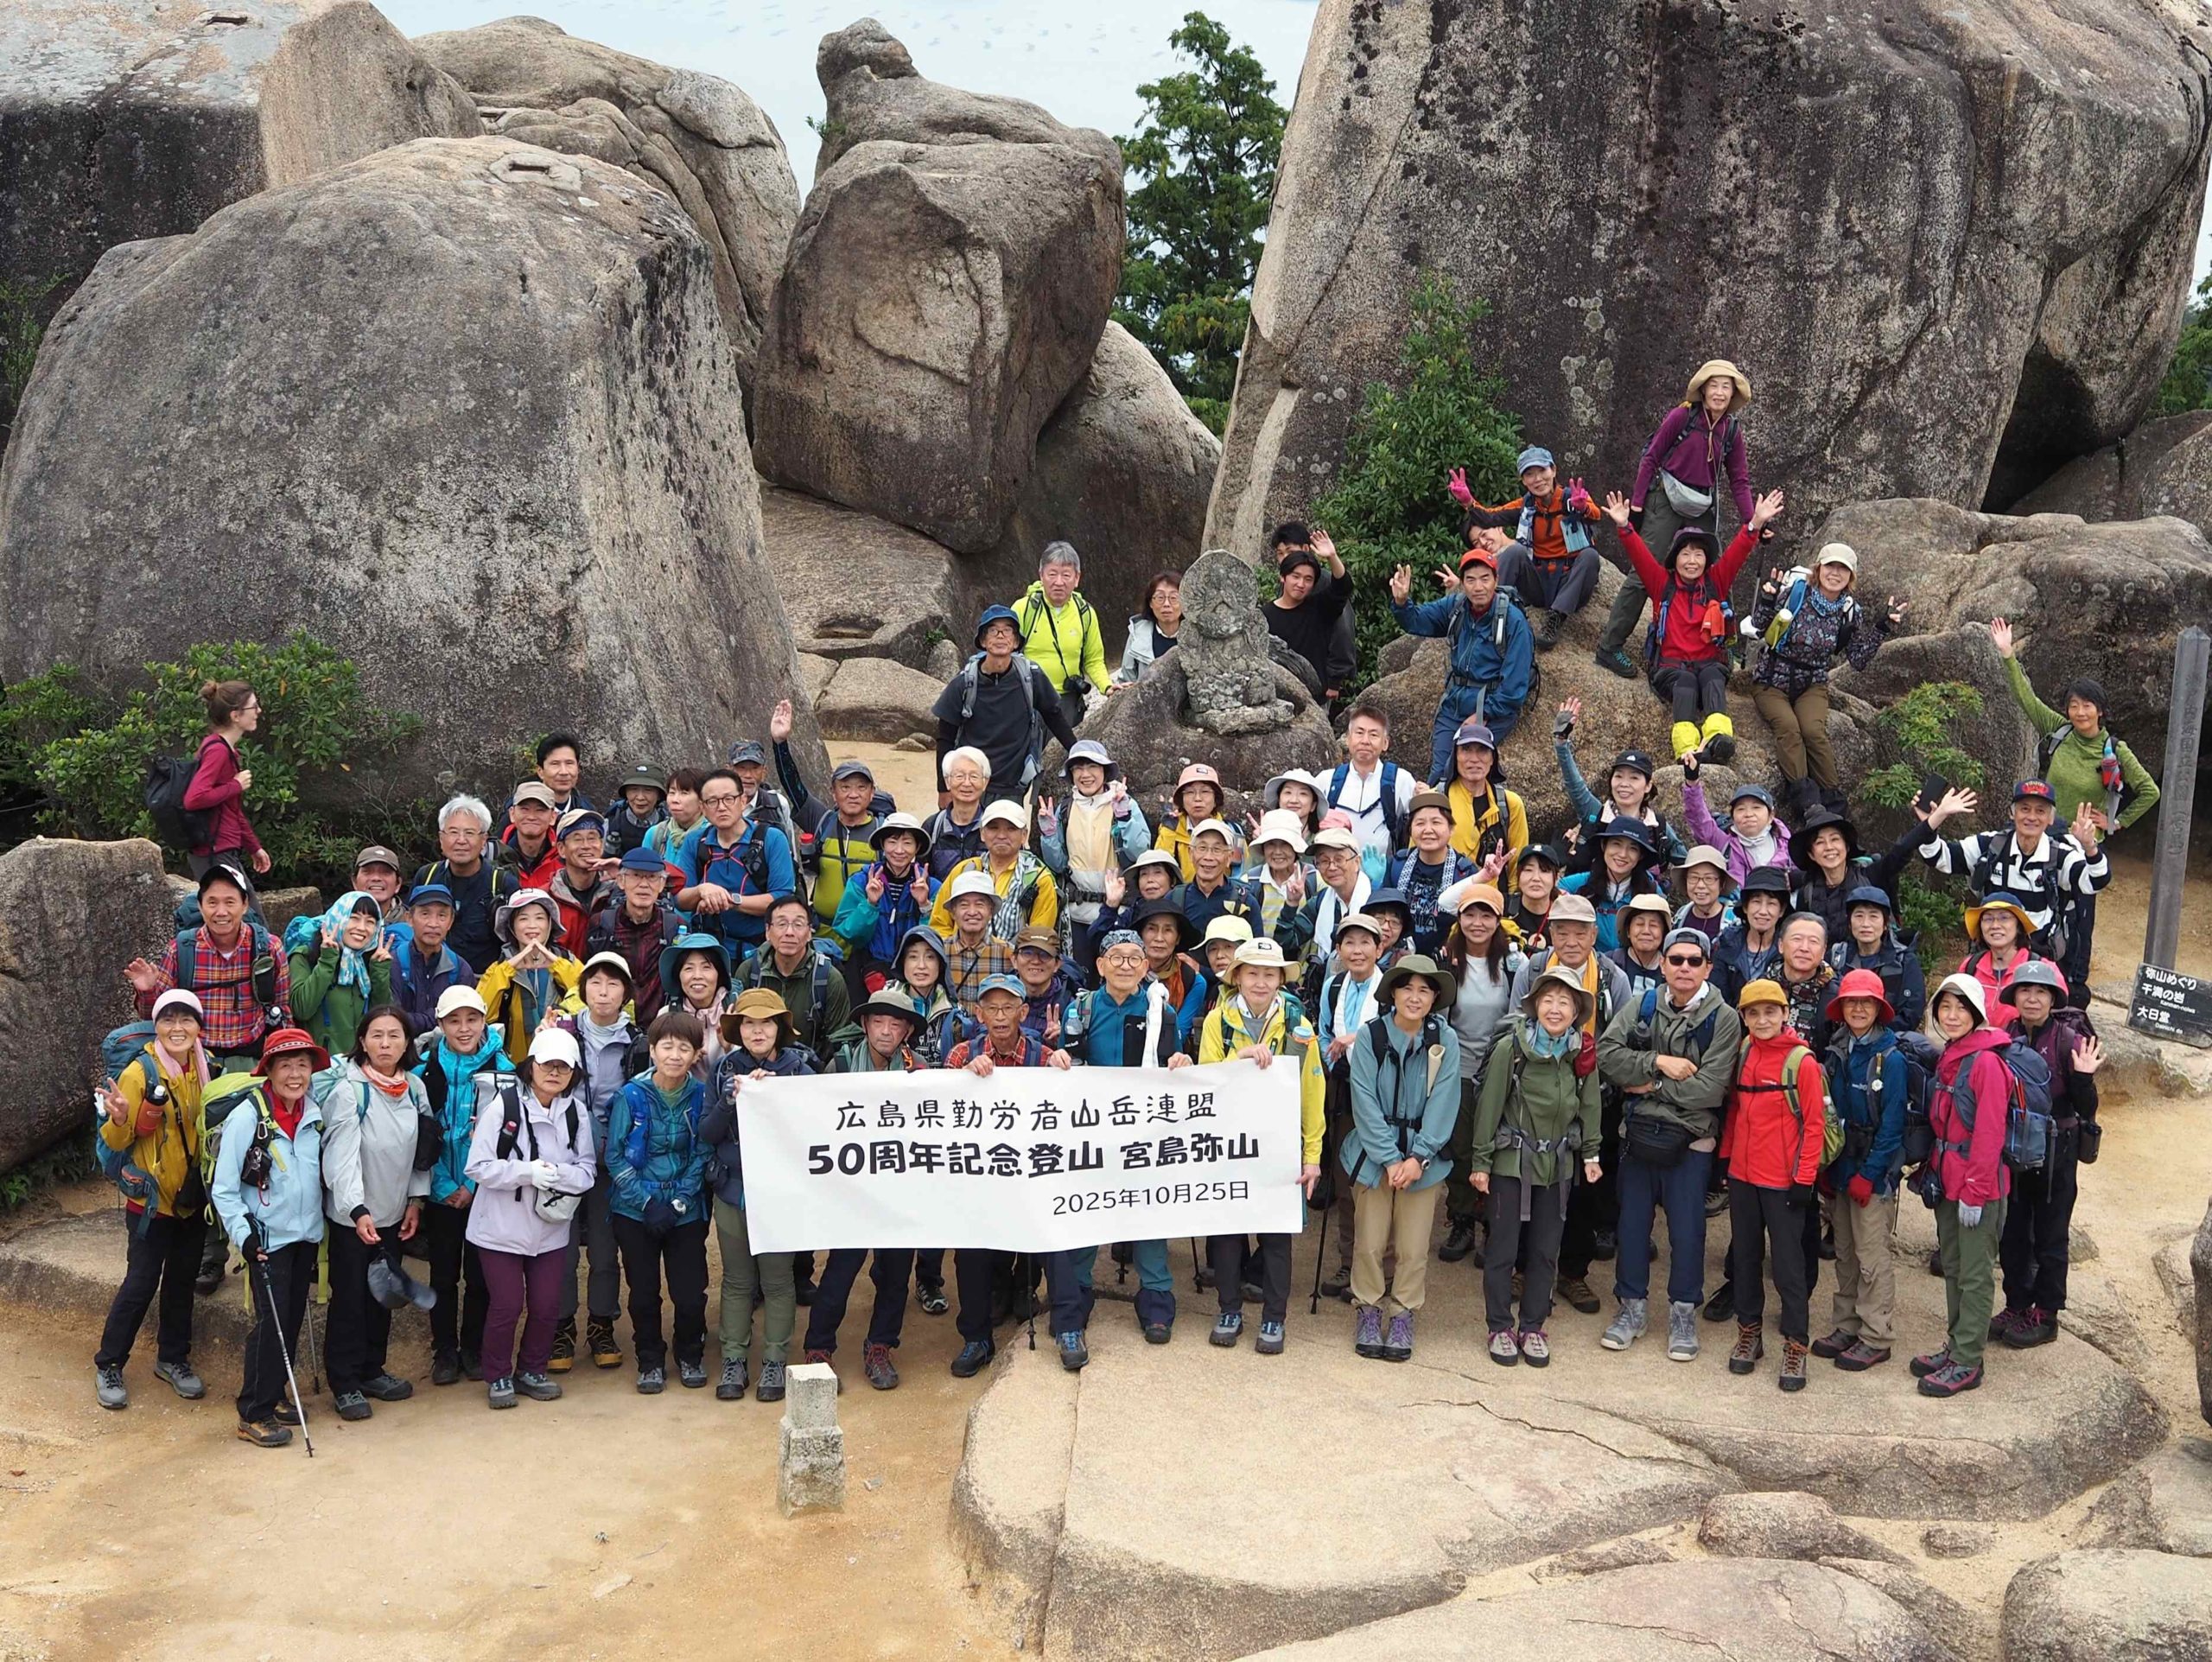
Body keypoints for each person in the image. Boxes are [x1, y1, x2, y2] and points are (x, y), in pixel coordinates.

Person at [123, 863, 290, 1296]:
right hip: (200, 1063)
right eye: (212, 901)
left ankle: (264, 1245)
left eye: (229, 901)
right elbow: (158, 1017)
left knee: (256, 1158)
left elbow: (283, 1013)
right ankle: (211, 1255)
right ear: (200, 905)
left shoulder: (268, 948)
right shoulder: (183, 950)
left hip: (251, 1066)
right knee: (205, 1159)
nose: (221, 910)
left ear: (245, 904)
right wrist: (146, 989)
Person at [1989, 616, 2159, 997]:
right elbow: (2026, 699)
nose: (2079, 712)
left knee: (2080, 917)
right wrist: (2008, 655)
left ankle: (2075, 989)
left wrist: (2114, 823)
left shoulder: (2115, 751)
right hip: (2045, 835)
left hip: (2081, 844)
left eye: (2087, 706)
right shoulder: (2060, 731)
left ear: (2100, 710)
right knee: (2044, 910)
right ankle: (2035, 980)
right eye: (2073, 705)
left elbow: (2150, 791)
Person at [1595, 927, 1738, 1361]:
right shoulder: (1643, 1004)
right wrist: (1658, 1064)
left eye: (1695, 961)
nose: (1684, 968)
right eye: (1676, 959)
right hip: (1637, 1134)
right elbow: (1607, 1054)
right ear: (1663, 963)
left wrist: (1645, 1085)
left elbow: (1710, 1091)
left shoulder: (1724, 1018)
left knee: (1688, 1231)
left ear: (1708, 967)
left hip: (1692, 1139)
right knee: (1633, 1227)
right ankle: (1631, 1309)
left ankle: (1683, 1311)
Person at [1054, 931, 1192, 1351]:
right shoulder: (1080, 1008)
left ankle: (1155, 1300)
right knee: (1085, 1212)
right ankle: (1076, 1297)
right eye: (1117, 957)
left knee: (1148, 1213)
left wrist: (1180, 1062)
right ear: (1099, 965)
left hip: (1144, 1134)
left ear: (1146, 967)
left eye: (1136, 958)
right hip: (1091, 1131)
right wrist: (1057, 1059)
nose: (1127, 965)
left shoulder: (1159, 1011)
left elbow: (1174, 1061)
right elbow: (1069, 1061)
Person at [1193, 939, 1324, 1353]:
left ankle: (1274, 1318)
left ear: (1282, 979)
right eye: (1253, 973)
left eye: (1271, 974)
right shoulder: (1218, 1021)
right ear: (1237, 978)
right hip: (1228, 1142)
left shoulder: (1299, 1025)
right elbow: (1204, 1080)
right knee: (1229, 1234)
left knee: (1276, 1237)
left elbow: (1312, 1093)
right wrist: (1239, 1063)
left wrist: (1312, 1155)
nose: (1262, 982)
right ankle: (1229, 1309)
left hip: (1280, 1145)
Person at [1468, 966, 1603, 1364]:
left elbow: (1590, 1103)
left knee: (1546, 1250)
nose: (1556, 1009)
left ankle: (1532, 1325)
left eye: (1565, 1001)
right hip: (1512, 1160)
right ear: (1534, 1006)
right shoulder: (1512, 1048)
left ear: (1577, 1009)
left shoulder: (1581, 1051)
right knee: (1503, 1248)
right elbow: (1489, 1105)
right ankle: (1498, 1325)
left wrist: (1591, 1152)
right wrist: (1481, 1161)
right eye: (1548, 1000)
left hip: (1557, 1162)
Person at [942, 977, 1073, 1380]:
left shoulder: (1043, 1054)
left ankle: (1069, 1327)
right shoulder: (961, 1053)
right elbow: (940, 1112)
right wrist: (962, 1077)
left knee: (1060, 1235)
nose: (1000, 1017)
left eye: (1008, 1008)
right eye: (991, 1009)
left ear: (1022, 1012)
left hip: (1034, 1178)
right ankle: (977, 1337)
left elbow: (1070, 1112)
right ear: (979, 1014)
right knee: (971, 1251)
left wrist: (1062, 1069)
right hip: (981, 1179)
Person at [1599, 486, 1785, 761]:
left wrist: (1756, 523)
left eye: (1698, 554)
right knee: (1686, 681)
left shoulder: (1715, 583)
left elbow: (1737, 553)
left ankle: (1718, 738)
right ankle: (1687, 750)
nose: (1692, 561)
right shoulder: (1662, 584)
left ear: (1706, 560)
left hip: (1709, 664)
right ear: (1675, 559)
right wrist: (1625, 526)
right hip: (1671, 671)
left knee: (1712, 677)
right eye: (1685, 554)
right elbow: (1640, 555)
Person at [1597, 360, 1758, 678]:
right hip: (1667, 497)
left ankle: (1721, 647)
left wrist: (1754, 520)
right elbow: (1651, 457)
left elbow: (1739, 480)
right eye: (1714, 385)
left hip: (1702, 502)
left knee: (1717, 576)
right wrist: (1639, 506)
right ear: (1703, 389)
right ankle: (1609, 647)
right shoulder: (1682, 416)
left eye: (1727, 386)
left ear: (1733, 394)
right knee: (1645, 573)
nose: (1720, 392)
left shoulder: (1732, 431)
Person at [92, 989, 213, 1411]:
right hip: (151, 1201)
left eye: (186, 1020)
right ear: (156, 1025)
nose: (177, 1028)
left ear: (199, 1026)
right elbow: (118, 1138)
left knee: (182, 1281)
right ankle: (109, 1363)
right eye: (168, 1020)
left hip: (192, 1197)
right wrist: (121, 1118)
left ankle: (173, 1359)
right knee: (141, 1283)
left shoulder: (206, 1067)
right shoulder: (140, 1072)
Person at [205, 1026, 325, 1446]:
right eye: (286, 1065)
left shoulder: (313, 1111)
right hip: (265, 1239)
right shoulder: (246, 1117)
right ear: (268, 1071)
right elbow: (224, 1188)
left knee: (290, 1318)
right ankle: (253, 1411)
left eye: (303, 1065)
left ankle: (273, 1396)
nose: (296, 1074)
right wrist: (244, 1236)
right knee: (271, 1322)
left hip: (305, 1234)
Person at [464, 1025, 594, 1410]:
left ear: (573, 1073)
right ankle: (498, 1374)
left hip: (550, 1228)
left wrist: (555, 1174)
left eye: (563, 1067)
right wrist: (526, 1172)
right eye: (546, 1064)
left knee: (546, 1303)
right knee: (506, 1304)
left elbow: (587, 1171)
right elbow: (479, 1167)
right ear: (530, 1065)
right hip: (500, 1228)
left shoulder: (577, 1113)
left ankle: (533, 1370)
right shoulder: (503, 1107)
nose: (554, 1073)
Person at [805, 989, 931, 1390]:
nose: (886, 1031)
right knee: (840, 1273)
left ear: (908, 1031)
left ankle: (880, 1346)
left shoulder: (920, 1070)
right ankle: (818, 1349)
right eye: (879, 1021)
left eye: (897, 1024)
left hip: (899, 1191)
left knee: (896, 1274)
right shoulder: (840, 1065)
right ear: (864, 1024)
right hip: (853, 1192)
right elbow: (817, 1122)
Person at [1342, 952, 1459, 1363]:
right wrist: (1391, 1158)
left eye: (1425, 990)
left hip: (1422, 1159)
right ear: (1392, 992)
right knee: (1370, 1241)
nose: (1415, 996)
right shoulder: (1372, 1035)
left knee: (1413, 1245)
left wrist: (1418, 1157)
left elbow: (1446, 1100)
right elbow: (1364, 1101)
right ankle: (1369, 1308)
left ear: (1435, 998)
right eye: (1407, 987)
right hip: (1376, 1155)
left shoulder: (1445, 1039)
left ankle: (1404, 1311)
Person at [319, 1005, 430, 1421]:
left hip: (395, 1212)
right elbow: (340, 1159)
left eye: (395, 1036)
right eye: (377, 1036)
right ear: (362, 1041)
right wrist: (357, 1210)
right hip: (355, 1217)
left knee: (383, 1295)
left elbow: (423, 1152)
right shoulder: (351, 1090)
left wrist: (416, 1202)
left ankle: (372, 1369)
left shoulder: (414, 1088)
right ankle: (344, 1382)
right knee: (349, 1299)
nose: (386, 1044)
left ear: (407, 1043)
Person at [702, 989, 813, 1403]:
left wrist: (777, 1095)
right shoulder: (722, 1069)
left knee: (779, 1280)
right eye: (749, 1023)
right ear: (739, 1030)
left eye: (766, 1023)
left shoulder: (800, 1070)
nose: (757, 1030)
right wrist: (733, 1100)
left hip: (781, 1194)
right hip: (733, 1190)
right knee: (736, 1280)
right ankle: (733, 1359)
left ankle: (774, 1361)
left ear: (779, 1029)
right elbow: (707, 1133)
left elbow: (814, 1130)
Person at [1719, 978, 1826, 1390]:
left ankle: (1796, 1345)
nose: (1762, 1020)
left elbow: (1814, 1125)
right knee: (1744, 1259)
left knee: (1788, 1267)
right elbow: (1735, 1109)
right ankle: (1749, 1333)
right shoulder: (1744, 1051)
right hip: (1743, 1176)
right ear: (1744, 1018)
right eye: (1753, 1013)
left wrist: (1804, 1179)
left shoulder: (1802, 1062)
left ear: (1785, 1014)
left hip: (1783, 1181)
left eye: (1770, 1012)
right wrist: (1726, 1158)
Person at [1993, 959, 2102, 1350]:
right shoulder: (2006, 1035)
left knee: (2051, 1234)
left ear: (2053, 998)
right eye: (2025, 991)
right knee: (2013, 1231)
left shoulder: (2067, 1039)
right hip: (2015, 1147)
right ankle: (2017, 1303)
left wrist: (2084, 1077)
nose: (2033, 998)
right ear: (2015, 997)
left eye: (2041, 992)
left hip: (2058, 1148)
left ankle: (2047, 1312)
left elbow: (2086, 1107)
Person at [1915, 974, 2015, 1398]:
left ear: (1977, 1014)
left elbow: (1990, 1133)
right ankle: (1957, 1345)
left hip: (1979, 1185)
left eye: (1961, 1008)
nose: (1952, 1016)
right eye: (1945, 1007)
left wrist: (1975, 1192)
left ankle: (1968, 1359)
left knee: (1975, 1274)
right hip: (1950, 1178)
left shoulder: (1987, 1062)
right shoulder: (1954, 1054)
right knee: (1954, 1267)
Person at [1749, 546, 1904, 813]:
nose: (1835, 573)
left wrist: (1882, 628)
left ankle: (1835, 807)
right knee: (1789, 728)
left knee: (1814, 733)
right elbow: (1760, 627)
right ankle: (1807, 804)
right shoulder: (1796, 593)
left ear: (1851, 575)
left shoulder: (1850, 610)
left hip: (1813, 683)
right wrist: (1767, 598)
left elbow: (1857, 659)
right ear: (1818, 568)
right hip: (1772, 678)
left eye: (1843, 568)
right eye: (1830, 566)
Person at [1916, 780, 2108, 997]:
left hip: (2038, 958)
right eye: (2024, 809)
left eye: (2040, 811)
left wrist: (2090, 847)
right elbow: (1938, 857)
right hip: (1989, 954)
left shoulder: (2060, 856)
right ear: (2012, 813)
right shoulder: (1991, 846)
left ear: (2051, 818)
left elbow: (2094, 882)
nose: (2032, 817)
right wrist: (1932, 821)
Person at [1811, 968, 1914, 1372]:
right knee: (1846, 1254)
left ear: (1879, 1008)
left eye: (1866, 1002)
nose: (1857, 1008)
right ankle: (1847, 1324)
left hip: (1873, 1171)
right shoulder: (1839, 1049)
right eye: (1851, 1001)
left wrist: (1870, 1175)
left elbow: (1892, 1126)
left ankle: (1876, 1334)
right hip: (1841, 1166)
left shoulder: (1891, 1059)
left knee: (1872, 1255)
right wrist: (1828, 1166)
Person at [606, 1009, 714, 1393]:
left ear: (696, 1054)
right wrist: (647, 1203)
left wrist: (681, 1201)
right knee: (644, 1291)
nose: (674, 1054)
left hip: (685, 1209)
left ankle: (690, 1354)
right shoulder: (630, 1096)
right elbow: (614, 1156)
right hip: (635, 1210)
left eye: (684, 1047)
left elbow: (702, 1152)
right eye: (666, 1046)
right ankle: (649, 1360)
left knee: (689, 1291)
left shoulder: (701, 1096)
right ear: (652, 1051)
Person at [550, 953, 648, 1372]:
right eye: (595, 983)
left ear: (626, 993)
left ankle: (602, 1323)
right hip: (566, 1156)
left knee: (607, 1252)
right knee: (563, 1247)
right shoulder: (561, 1035)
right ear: (582, 989)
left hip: (615, 1158)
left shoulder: (640, 1041)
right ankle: (561, 1326)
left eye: (613, 984)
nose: (603, 992)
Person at [415, 985, 513, 1385]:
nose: (464, 1028)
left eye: (472, 1019)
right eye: (454, 1020)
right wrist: (442, 1186)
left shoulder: (505, 1069)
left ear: (484, 1021)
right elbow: (419, 1133)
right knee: (441, 1276)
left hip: (484, 1191)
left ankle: (473, 1348)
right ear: (440, 1024)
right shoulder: (424, 1071)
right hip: (441, 1194)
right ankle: (444, 1351)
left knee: (479, 1276)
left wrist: (472, 1185)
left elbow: (507, 1135)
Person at [1389, 543, 1536, 779]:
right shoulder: (1456, 607)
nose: (1478, 587)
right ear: (1463, 582)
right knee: (1439, 776)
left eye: (1485, 579)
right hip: (1455, 703)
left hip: (1493, 707)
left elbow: (1514, 690)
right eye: (1471, 580)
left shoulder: (1513, 621)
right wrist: (1401, 603)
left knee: (1462, 770)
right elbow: (1417, 621)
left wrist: (1482, 715)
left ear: (1496, 581)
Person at [1436, 883, 1526, 1265]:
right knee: (1461, 1147)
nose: (1477, 922)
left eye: (1486, 915)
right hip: (1457, 1069)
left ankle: (1493, 1222)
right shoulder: (1446, 961)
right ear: (1459, 919)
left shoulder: (1514, 963)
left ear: (1499, 920)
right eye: (1469, 914)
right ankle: (1461, 1220)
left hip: (1500, 1070)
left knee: (1497, 1147)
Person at [1456, 447, 1605, 649]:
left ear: (1553, 470)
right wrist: (1469, 502)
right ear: (1523, 481)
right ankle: (1492, 612)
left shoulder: (1572, 498)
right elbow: (1491, 516)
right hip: (1539, 581)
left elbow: (1595, 515)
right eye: (1529, 474)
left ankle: (1555, 618)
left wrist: (1583, 508)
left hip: (1569, 581)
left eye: (1542, 471)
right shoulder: (1526, 506)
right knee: (1514, 552)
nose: (1537, 479)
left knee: (1590, 556)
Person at [935, 604, 1080, 805]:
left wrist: (1079, 754)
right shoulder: (964, 682)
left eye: (1008, 630)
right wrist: (943, 789)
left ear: (1016, 641)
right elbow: (945, 737)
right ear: (983, 641)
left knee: (1006, 836)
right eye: (993, 630)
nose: (1000, 636)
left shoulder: (1031, 677)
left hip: (1012, 784)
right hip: (971, 782)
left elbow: (1054, 716)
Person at [1036, 741, 1149, 971]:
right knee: (1080, 978)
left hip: (1119, 911)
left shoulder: (1124, 802)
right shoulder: (1066, 808)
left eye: (1092, 767)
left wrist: (1125, 817)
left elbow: (1140, 853)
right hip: (1076, 913)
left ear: (1104, 771)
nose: (1085, 775)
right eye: (1078, 768)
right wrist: (1048, 834)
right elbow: (1057, 864)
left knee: (1118, 974)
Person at [771, 703, 884, 931]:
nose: (853, 794)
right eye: (845, 787)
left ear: (872, 793)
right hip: (823, 930)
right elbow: (793, 787)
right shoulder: (822, 820)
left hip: (868, 929)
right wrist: (780, 744)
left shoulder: (883, 831)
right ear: (833, 792)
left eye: (861, 787)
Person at [672, 766, 798, 963]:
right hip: (708, 950)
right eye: (712, 801)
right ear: (703, 808)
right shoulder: (696, 841)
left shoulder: (771, 839)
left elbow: (782, 898)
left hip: (761, 951)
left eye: (728, 799)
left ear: (743, 801)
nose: (721, 807)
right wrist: (702, 890)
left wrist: (730, 900)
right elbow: (679, 897)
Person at [1554, 702, 1688, 869]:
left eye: (1634, 778)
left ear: (1648, 786)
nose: (1624, 784)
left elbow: (1685, 861)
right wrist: (1561, 741)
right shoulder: (1596, 813)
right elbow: (1574, 785)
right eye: (1618, 776)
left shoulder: (1658, 826)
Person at [830, 812, 939, 992]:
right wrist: (870, 904)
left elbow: (939, 937)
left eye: (907, 842)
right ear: (882, 844)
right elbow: (849, 933)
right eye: (892, 841)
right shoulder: (861, 881)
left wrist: (925, 906)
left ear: (917, 847)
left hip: (916, 973)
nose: (899, 850)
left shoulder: (932, 886)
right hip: (868, 971)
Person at [738, 895, 855, 1062]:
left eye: (798, 925)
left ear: (809, 933)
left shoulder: (828, 978)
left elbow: (837, 1041)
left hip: (810, 1074)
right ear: (767, 931)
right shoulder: (750, 971)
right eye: (781, 924)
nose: (789, 932)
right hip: (754, 1071)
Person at [414, 795, 519, 975]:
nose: (461, 840)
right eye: (453, 832)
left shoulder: (503, 883)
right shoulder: (427, 876)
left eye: (469, 833)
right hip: (430, 979)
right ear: (441, 838)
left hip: (485, 984)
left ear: (484, 840)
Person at [477, 889, 582, 1066]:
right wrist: (509, 967)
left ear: (550, 924)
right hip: (515, 1064)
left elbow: (588, 1000)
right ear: (512, 926)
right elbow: (482, 1014)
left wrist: (557, 964)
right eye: (523, 918)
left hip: (563, 1062)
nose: (532, 925)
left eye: (540, 918)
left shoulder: (569, 962)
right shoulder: (499, 969)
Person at [181, 678, 271, 881]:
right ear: (235, 715)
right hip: (215, 852)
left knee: (248, 912)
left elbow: (230, 809)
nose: (258, 711)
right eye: (254, 706)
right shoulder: (218, 751)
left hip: (222, 849)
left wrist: (253, 846)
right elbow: (194, 798)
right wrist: (235, 785)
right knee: (244, 913)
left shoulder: (223, 749)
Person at [1016, 541, 1112, 729]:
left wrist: (1107, 687)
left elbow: (1093, 660)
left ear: (1077, 578)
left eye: (1066, 575)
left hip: (1067, 701)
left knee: (1062, 755)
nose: (1059, 582)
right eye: (1052, 574)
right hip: (1027, 698)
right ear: (1041, 575)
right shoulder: (1024, 608)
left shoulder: (1085, 613)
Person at [930, 800, 1058, 939]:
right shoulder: (964, 871)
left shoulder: (1038, 880)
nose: (1002, 835)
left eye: (1011, 829)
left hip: (1014, 960)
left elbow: (1038, 940)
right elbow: (939, 925)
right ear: (982, 833)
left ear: (1024, 835)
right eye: (993, 828)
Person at [1323, 701, 1419, 884]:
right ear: (1348, 739)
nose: (1365, 740)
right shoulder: (1328, 780)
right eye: (1359, 733)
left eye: (1374, 734)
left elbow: (1419, 822)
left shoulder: (1400, 780)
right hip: (1333, 877)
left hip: (1382, 878)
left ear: (1385, 743)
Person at [287, 890, 393, 1056]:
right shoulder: (305, 956)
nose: (362, 928)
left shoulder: (367, 961)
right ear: (338, 917)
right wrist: (327, 961)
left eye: (370, 922)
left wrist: (379, 972)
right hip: (320, 1067)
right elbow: (302, 1009)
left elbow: (383, 1017)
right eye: (354, 918)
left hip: (360, 1066)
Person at [587, 848, 680, 1023]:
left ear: (661, 884)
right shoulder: (602, 923)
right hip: (613, 1022)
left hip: (661, 1024)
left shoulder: (675, 926)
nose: (644, 885)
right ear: (621, 881)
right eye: (636, 876)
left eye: (652, 877)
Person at [1264, 523, 1355, 702]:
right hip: (1278, 693)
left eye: (1308, 579)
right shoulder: (1265, 614)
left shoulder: (1319, 604)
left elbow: (1342, 589)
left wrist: (1332, 557)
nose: (1301, 584)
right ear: (1282, 577)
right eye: (1295, 577)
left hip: (1315, 691)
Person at [1386, 793, 1481, 956]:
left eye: (1436, 823)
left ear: (1451, 829)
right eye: (1420, 823)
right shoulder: (1398, 864)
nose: (1428, 830)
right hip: (1400, 957)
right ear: (1410, 829)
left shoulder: (1465, 871)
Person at [1828, 886, 1925, 1033]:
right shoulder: (1836, 957)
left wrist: (1870, 1033)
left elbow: (1911, 1013)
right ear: (1850, 923)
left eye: (1873, 916)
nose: (1865, 924)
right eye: (1859, 916)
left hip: (1889, 1041)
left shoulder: (1904, 961)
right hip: (1841, 1039)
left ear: (1885, 924)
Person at [1682, 764, 1794, 888]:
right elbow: (1699, 820)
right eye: (1741, 809)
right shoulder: (1725, 846)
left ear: (1771, 815)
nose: (1749, 814)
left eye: (1756, 808)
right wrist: (1692, 782)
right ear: (1733, 817)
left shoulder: (1788, 846)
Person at [1440, 721, 1529, 875]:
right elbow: (1416, 857)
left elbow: (1518, 863)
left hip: (1494, 897)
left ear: (1493, 759)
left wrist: (1515, 897)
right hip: (1448, 896)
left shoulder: (1510, 804)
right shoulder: (1437, 800)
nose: (1474, 759)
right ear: (1455, 756)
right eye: (1466, 749)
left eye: (1482, 750)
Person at [1236, 812, 1318, 966]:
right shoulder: (1249, 882)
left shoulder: (1315, 880)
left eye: (1285, 844)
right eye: (1271, 844)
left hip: (1303, 973)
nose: (1278, 852)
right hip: (1261, 968)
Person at [391, 883, 471, 1037]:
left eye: (442, 916)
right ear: (409, 918)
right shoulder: (394, 964)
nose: (433, 924)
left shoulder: (460, 969)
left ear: (451, 921)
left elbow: (463, 1022)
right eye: (425, 914)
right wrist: (436, 1015)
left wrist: (415, 1019)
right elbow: (393, 1021)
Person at [1958, 893, 2055, 1013]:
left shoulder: (2045, 969)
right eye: (1988, 919)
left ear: (2019, 926)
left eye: (2004, 918)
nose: (1995, 925)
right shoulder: (1970, 967)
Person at [1133, 896, 1208, 1048]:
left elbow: (1177, 1035)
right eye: (1152, 929)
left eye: (1168, 930)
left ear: (1178, 938)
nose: (1159, 938)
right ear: (1141, 935)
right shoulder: (1125, 972)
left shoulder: (1193, 981)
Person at [940, 870, 1019, 1010]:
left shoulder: (1008, 954)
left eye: (980, 905)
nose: (972, 912)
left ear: (990, 911)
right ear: (953, 912)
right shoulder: (940, 952)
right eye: (964, 905)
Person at [660, 932, 734, 1076]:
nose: (697, 976)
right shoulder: (666, 1015)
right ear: (678, 975)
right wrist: (684, 1061)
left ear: (720, 974)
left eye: (706, 967)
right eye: (688, 968)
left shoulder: (735, 1012)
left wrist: (729, 1048)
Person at [543, 809, 615, 957]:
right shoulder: (546, 899)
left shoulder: (617, 891)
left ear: (601, 845)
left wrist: (625, 869)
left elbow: (665, 881)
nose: (586, 846)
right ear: (561, 849)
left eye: (592, 838)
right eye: (577, 839)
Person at [1713, 867, 1789, 1003]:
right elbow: (1717, 996)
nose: (1763, 911)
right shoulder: (1726, 944)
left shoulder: (1789, 949)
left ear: (1781, 911)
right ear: (1745, 907)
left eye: (1771, 903)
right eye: (1756, 902)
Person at [1154, 763, 1239, 882]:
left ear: (1216, 800)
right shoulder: (1170, 828)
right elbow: (1159, 869)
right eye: (1190, 792)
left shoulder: (1232, 831)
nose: (1197, 798)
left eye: (1205, 791)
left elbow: (1242, 874)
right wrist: (1169, 832)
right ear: (1181, 801)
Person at [926, 748, 993, 882]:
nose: (967, 783)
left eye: (974, 776)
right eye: (959, 776)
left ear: (985, 783)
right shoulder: (933, 826)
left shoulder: (995, 825)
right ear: (947, 782)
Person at [505, 732, 593, 832]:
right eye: (555, 764)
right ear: (540, 771)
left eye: (569, 763)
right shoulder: (520, 809)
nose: (564, 772)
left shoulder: (586, 810)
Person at [1114, 570, 1183, 686]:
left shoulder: (1196, 636)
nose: (1166, 604)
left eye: (1173, 598)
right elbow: (1127, 679)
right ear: (1150, 603)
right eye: (1160, 597)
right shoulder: (1137, 634)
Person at [498, 780, 563, 889]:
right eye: (525, 809)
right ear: (512, 814)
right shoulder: (494, 855)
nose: (531, 817)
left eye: (540, 810)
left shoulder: (565, 858)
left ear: (553, 817)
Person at [1609, 893, 1675, 998]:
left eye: (1653, 925)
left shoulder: (1673, 967)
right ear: (1628, 931)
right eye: (1639, 924)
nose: (1646, 931)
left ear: (1664, 933)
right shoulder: (1609, 964)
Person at [641, 768, 707, 870]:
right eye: (672, 792)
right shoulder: (656, 834)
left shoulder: (712, 835)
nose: (675, 800)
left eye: (684, 793)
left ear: (702, 799)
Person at [1672, 846, 1738, 947]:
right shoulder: (1680, 917)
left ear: (1722, 883)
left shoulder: (1734, 921)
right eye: (1694, 878)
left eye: (1709, 878)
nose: (1700, 885)